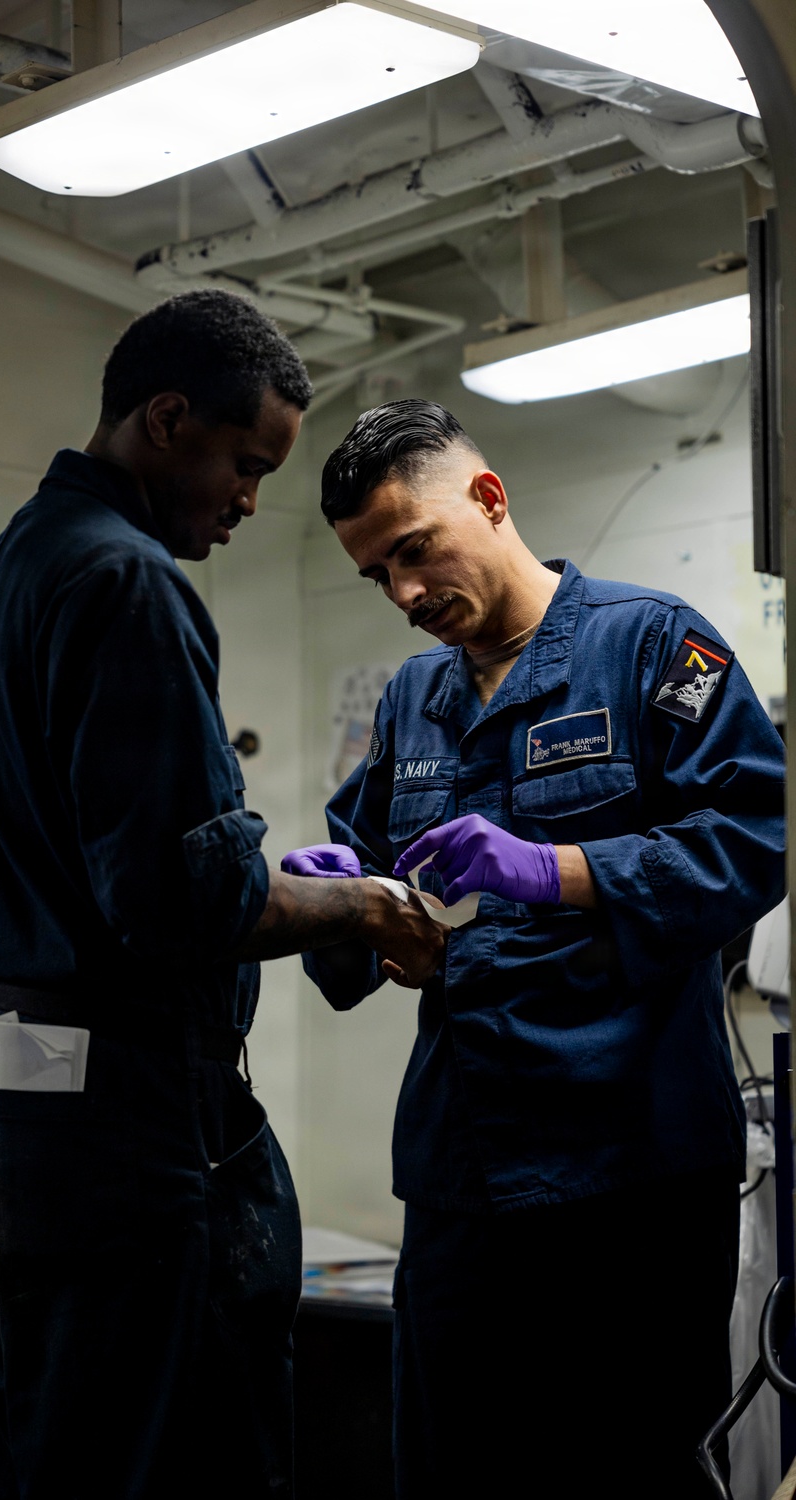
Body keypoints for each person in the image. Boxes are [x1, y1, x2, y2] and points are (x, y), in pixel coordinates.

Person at [0, 291, 443, 1500]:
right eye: (246, 464)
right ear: (168, 420)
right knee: (172, 1457)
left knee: (44, 1447)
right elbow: (179, 901)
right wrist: (366, 906)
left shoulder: (5, 576)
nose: (251, 501)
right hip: (123, 1120)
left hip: (11, 1094)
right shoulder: (129, 583)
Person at [285, 398, 786, 1499]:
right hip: (467, 1173)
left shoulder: (655, 644)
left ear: (489, 498)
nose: (404, 594)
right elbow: (364, 869)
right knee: (455, 1469)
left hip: (632, 1173)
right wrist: (340, 896)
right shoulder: (413, 699)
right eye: (377, 575)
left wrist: (554, 869)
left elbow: (754, 843)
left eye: (412, 551)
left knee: (628, 1470)